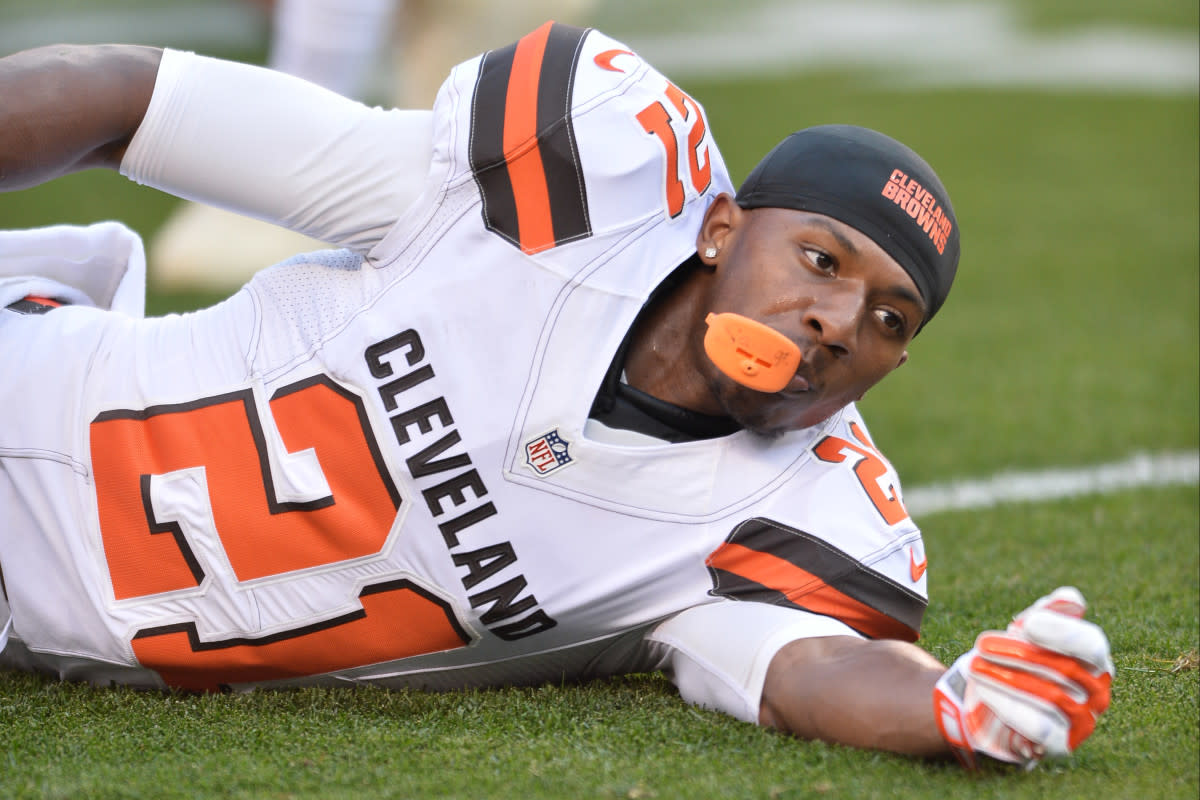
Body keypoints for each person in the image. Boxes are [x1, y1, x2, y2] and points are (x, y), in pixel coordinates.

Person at [0, 23, 1112, 770]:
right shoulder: (565, 189)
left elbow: (815, 668)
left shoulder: (793, 529)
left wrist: (950, 706)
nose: (837, 321)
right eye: (821, 261)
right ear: (723, 227)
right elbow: (131, 104)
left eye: (888, 318)